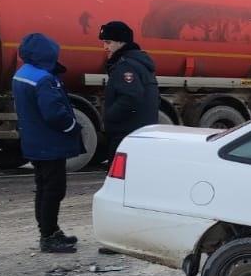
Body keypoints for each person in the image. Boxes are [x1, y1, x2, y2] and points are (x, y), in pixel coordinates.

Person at [12, 33, 85, 253]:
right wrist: (72, 126)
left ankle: (49, 230)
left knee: (43, 188)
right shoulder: (44, 79)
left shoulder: (22, 73)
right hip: (50, 144)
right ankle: (49, 236)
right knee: (54, 190)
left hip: (35, 142)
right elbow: (54, 113)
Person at [99, 21, 159, 155]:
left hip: (125, 134)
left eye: (108, 42)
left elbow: (130, 96)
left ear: (121, 42)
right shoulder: (137, 63)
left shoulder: (126, 66)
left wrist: (109, 117)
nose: (105, 47)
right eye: (104, 43)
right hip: (137, 132)